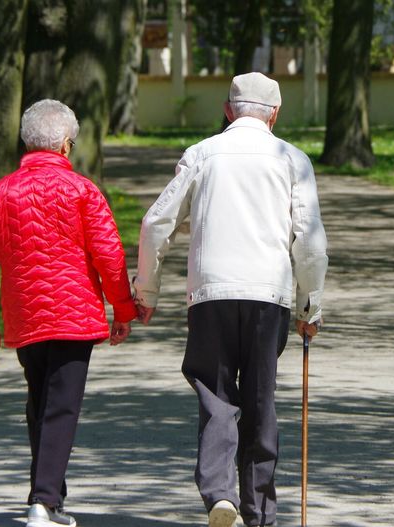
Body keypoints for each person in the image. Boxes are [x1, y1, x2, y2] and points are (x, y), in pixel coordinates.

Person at [133, 72, 328, 527]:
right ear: (275, 115)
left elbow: (155, 223)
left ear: (227, 110)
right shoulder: (292, 159)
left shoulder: (201, 154)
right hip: (268, 293)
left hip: (210, 292)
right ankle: (259, 512)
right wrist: (309, 305)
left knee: (217, 395)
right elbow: (309, 241)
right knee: (260, 398)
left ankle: (220, 493)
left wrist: (146, 290)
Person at [0, 99, 137, 527]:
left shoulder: (1, 193)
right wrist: (123, 309)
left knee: (40, 403)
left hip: (25, 316)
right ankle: (42, 502)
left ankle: (48, 498)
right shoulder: (82, 190)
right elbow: (109, 256)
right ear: (64, 145)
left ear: (27, 143)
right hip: (74, 316)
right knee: (60, 407)